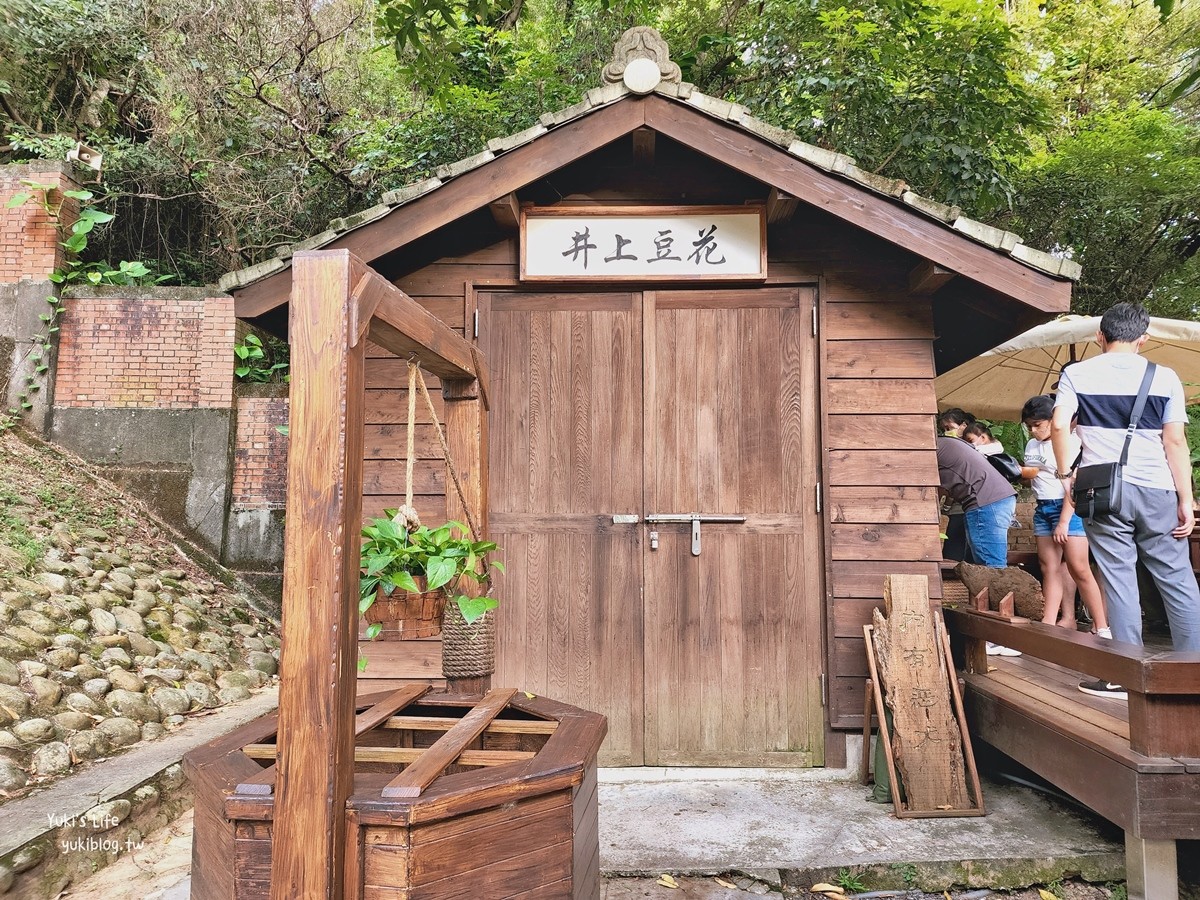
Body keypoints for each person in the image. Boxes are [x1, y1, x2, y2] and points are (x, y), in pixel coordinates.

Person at [1052, 302, 1200, 699]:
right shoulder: (1165, 377)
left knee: (1118, 577)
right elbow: (1175, 441)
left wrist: (1068, 476)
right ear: (1143, 338)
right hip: (1157, 489)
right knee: (1177, 577)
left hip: (1102, 491)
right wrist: (1186, 499)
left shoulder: (1076, 374)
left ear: (1100, 336)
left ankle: (1124, 675)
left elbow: (1059, 424)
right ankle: (1192, 670)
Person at [1020, 394, 1111, 637]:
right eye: (1029, 426)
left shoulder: (1069, 442)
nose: (1032, 431)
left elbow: (1074, 483)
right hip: (1043, 507)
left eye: (1037, 425)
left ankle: (1101, 626)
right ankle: (1049, 621)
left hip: (1068, 506)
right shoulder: (1032, 445)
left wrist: (1063, 520)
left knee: (1079, 567)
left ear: (1053, 420)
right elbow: (1037, 477)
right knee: (1048, 566)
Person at [936, 429, 1019, 656]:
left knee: (990, 569)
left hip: (986, 502)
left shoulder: (932, 447)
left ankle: (1002, 637)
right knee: (986, 567)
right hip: (992, 500)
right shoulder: (946, 444)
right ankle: (991, 633)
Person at [937, 409, 977, 562]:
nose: (947, 432)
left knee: (960, 554)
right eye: (944, 429)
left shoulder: (973, 448)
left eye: (949, 428)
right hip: (957, 508)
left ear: (963, 426)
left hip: (970, 506)